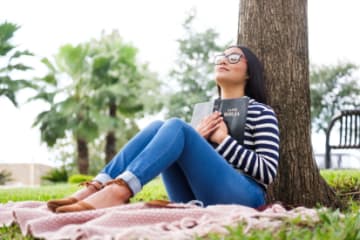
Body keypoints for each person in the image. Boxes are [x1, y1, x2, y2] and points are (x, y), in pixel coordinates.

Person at [47, 45, 280, 213]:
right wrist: (197, 139)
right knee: (159, 126)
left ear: (249, 73)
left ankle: (120, 191)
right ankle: (98, 186)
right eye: (220, 56)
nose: (222, 60)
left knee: (177, 126)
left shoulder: (262, 112)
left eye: (233, 58)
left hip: (243, 196)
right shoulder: (205, 113)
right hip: (193, 198)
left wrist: (224, 141)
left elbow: (268, 173)